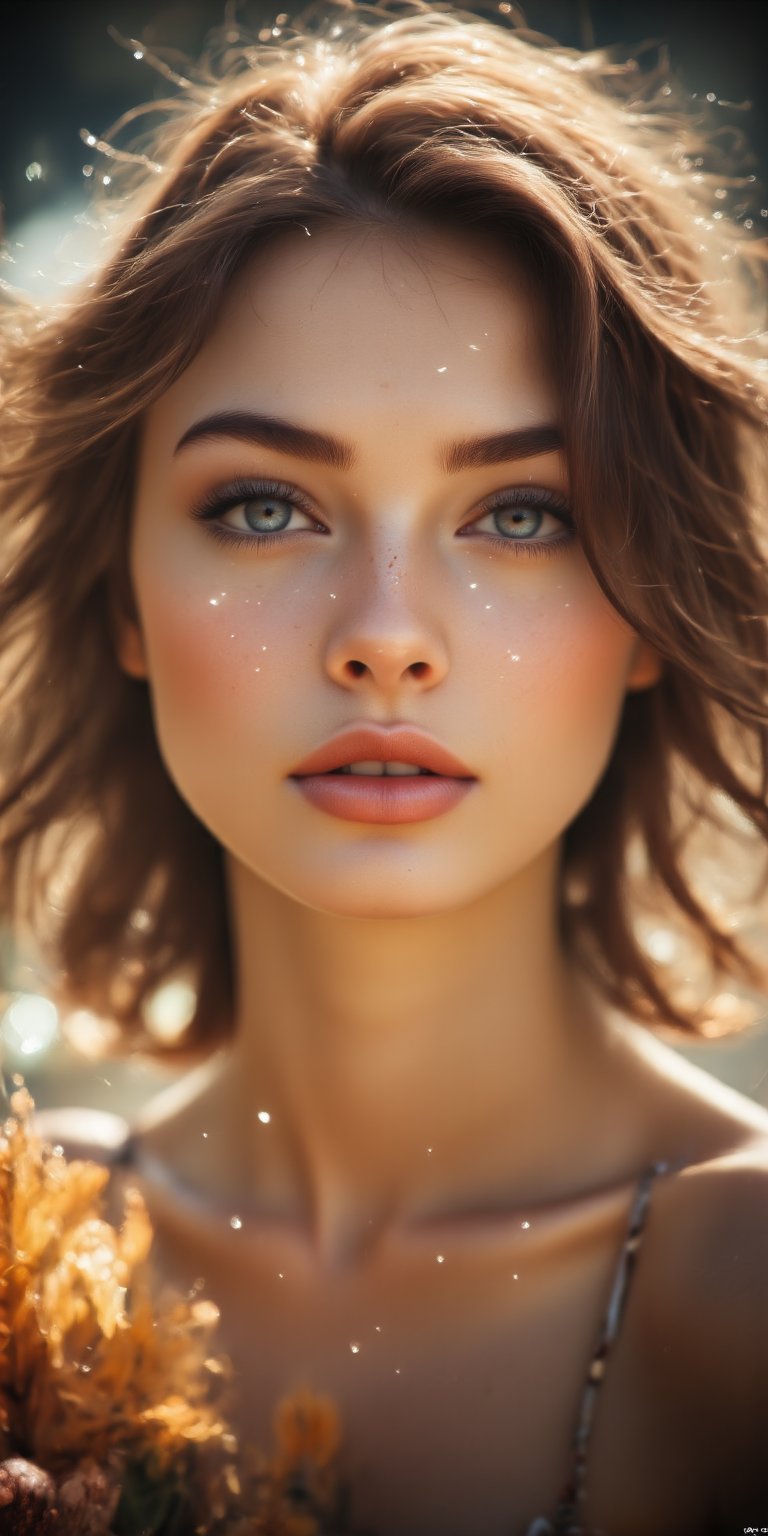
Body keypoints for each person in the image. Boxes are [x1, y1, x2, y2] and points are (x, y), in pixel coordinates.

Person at [1, 2, 767, 1531]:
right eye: (267, 507)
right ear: (121, 594)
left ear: (652, 608)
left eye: (524, 514)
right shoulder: (25, 1258)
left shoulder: (744, 1290)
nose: (387, 640)